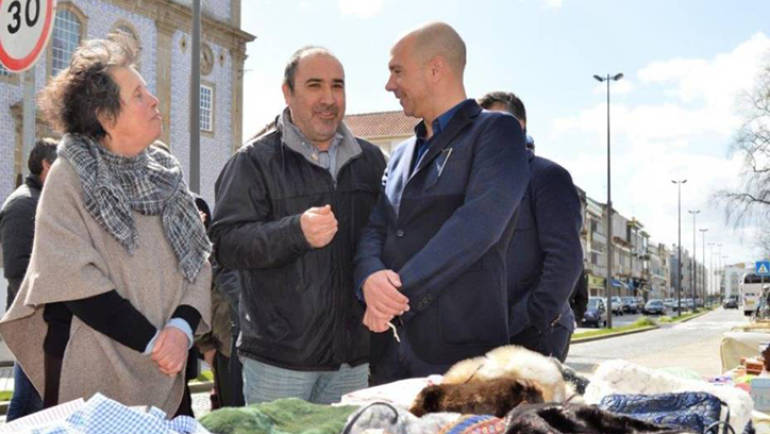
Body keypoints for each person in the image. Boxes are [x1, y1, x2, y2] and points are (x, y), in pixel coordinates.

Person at [0, 34, 211, 416]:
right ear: (106, 116)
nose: (154, 100)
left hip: (169, 376)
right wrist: (153, 342)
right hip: (92, 384)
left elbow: (198, 258)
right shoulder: (70, 176)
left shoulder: (167, 175)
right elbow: (72, 277)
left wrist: (181, 329)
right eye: (138, 95)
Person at [354, 23, 529, 384]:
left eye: (397, 71)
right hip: (389, 358)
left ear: (435, 69)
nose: (389, 85)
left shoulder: (496, 133)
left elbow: (477, 226)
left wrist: (393, 295)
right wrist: (368, 278)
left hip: (462, 361)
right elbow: (377, 227)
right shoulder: (401, 154)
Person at [209, 46, 386, 404]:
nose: (328, 98)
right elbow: (226, 244)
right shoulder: (251, 162)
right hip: (279, 365)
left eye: (337, 86)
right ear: (287, 93)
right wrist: (294, 232)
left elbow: (385, 237)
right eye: (315, 85)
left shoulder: (370, 161)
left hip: (353, 360)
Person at [479, 91, 583, 363]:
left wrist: (532, 315)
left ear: (520, 126)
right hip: (486, 333)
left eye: (498, 120)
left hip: (537, 332)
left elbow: (566, 258)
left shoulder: (547, 176)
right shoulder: (477, 184)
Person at [0, 138, 57, 420]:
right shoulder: (22, 205)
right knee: (28, 401)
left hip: (45, 318)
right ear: (46, 165)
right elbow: (15, 269)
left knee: (37, 402)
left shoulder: (40, 200)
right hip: (33, 319)